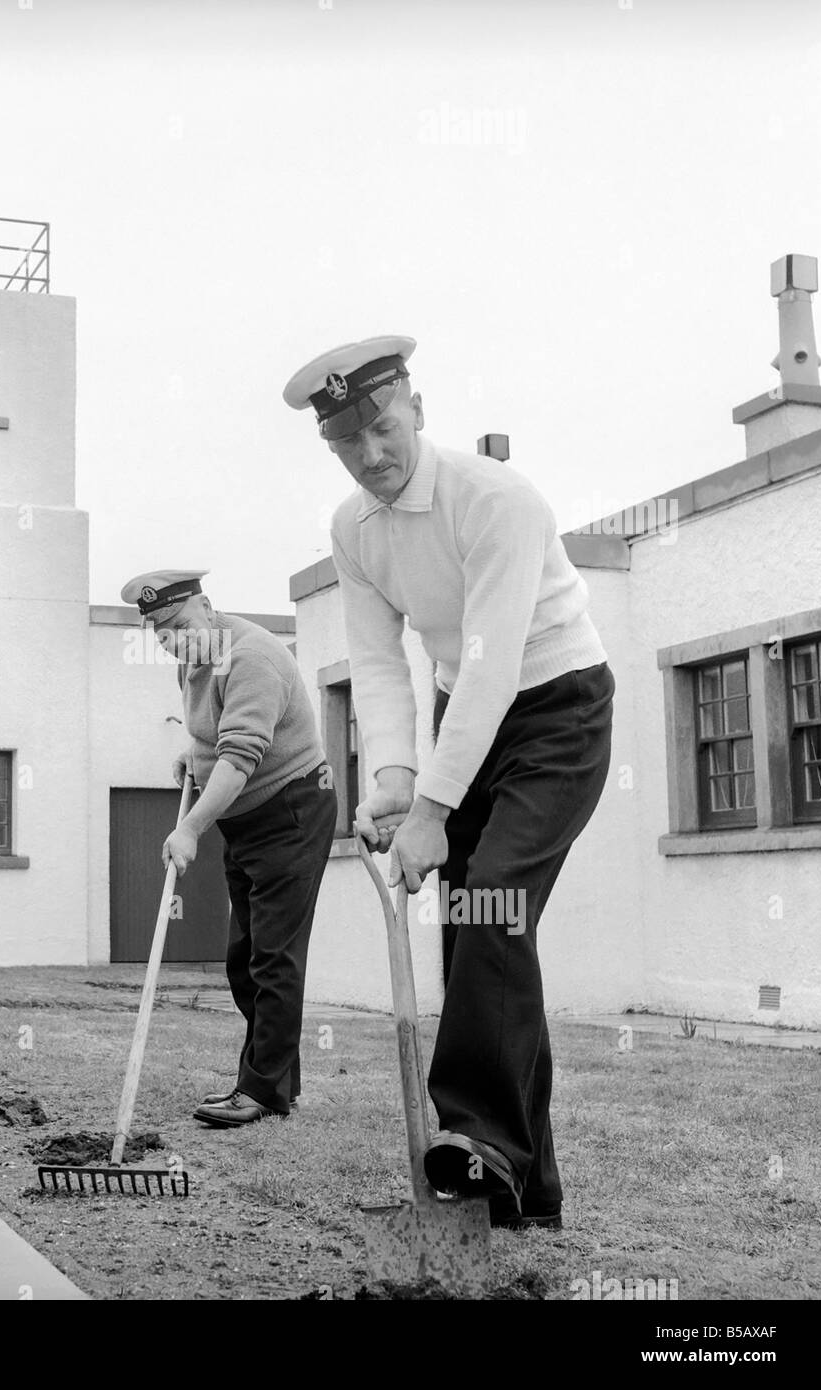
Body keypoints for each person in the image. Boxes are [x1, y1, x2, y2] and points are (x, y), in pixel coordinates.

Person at [283, 336, 614, 1229]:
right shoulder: (352, 530)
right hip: (459, 712)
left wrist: (434, 807)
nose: (370, 456)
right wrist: (395, 779)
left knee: (494, 902)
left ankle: (474, 1145)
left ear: (417, 411)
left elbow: (490, 657)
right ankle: (525, 1189)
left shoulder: (494, 499)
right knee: (476, 938)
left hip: (555, 706)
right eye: (347, 444)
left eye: (383, 430)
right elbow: (379, 663)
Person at [119, 569, 337, 1127]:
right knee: (243, 959)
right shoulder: (193, 659)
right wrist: (193, 757)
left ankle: (261, 1091)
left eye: (180, 625)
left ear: (208, 607)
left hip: (290, 811)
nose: (174, 640)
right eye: (161, 634)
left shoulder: (251, 658)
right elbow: (211, 737)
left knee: (273, 957)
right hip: (246, 819)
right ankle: (275, 1084)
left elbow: (241, 757)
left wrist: (189, 827)